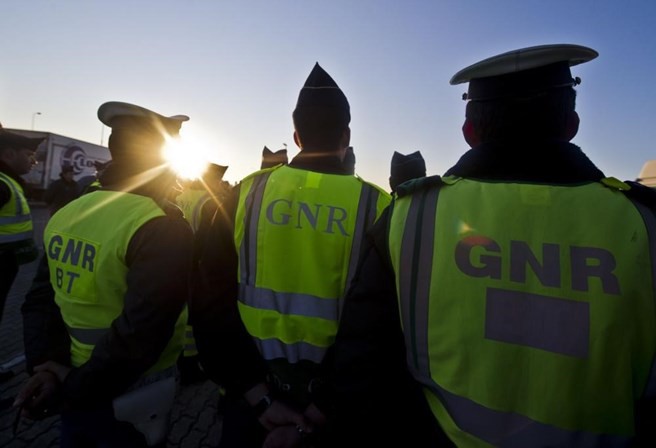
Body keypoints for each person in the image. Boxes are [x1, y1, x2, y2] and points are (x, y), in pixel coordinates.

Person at [331, 43, 656, 447]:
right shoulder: (645, 223)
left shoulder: (409, 218)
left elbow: (359, 373)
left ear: (469, 132)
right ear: (571, 123)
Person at [192, 62, 391, 447]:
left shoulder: (245, 196)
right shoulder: (378, 208)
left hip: (251, 406)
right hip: (336, 414)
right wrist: (323, 408)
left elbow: (208, 301)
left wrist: (256, 395)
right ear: (347, 135)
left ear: (296, 137)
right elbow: (382, 326)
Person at [16, 101, 194, 447]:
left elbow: (39, 300)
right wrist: (73, 386)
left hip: (74, 383)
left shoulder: (71, 212)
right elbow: (142, 331)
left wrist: (46, 367)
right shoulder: (161, 224)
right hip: (131, 394)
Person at [0, 126, 43, 382]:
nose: (33, 161)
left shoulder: (9, 182)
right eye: (29, 155)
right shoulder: (2, 184)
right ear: (8, 153)